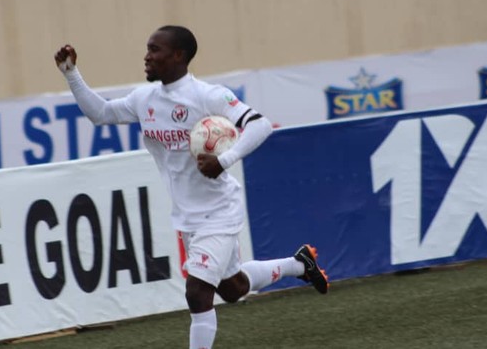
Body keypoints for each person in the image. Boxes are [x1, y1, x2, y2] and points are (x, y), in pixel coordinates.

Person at [54, 25, 329, 349]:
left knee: (197, 291)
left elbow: (261, 125)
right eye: (148, 48)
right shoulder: (145, 99)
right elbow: (100, 114)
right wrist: (71, 74)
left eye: (155, 50)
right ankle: (299, 264)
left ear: (178, 55)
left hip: (219, 212)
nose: (147, 56)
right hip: (187, 216)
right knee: (232, 288)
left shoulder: (208, 95)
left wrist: (224, 161)